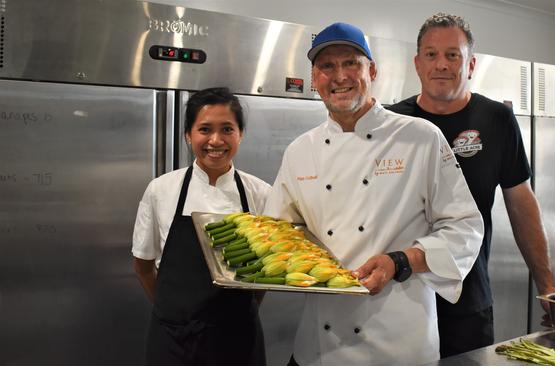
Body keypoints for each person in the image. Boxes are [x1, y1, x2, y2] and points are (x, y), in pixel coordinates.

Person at [263, 22, 484, 366]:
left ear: (373, 71)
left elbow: (466, 229)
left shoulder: (420, 137)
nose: (339, 76)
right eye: (327, 66)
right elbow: (279, 230)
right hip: (319, 348)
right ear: (314, 79)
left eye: (351, 63)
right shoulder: (299, 151)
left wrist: (401, 262)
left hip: (397, 345)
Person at [388, 13, 555, 357]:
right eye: (431, 54)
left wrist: (548, 287)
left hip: (468, 298)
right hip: (400, 297)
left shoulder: (497, 119)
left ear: (471, 64)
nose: (442, 65)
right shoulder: (393, 122)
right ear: (417, 64)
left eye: (453, 55)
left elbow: (521, 205)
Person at [132, 87, 270, 366]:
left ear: (240, 134)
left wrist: (244, 311)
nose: (215, 140)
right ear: (188, 135)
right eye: (204, 129)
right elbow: (143, 265)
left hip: (238, 339)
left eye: (227, 129)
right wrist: (171, 312)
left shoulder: (260, 193)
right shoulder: (161, 190)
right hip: (173, 340)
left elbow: (264, 272)